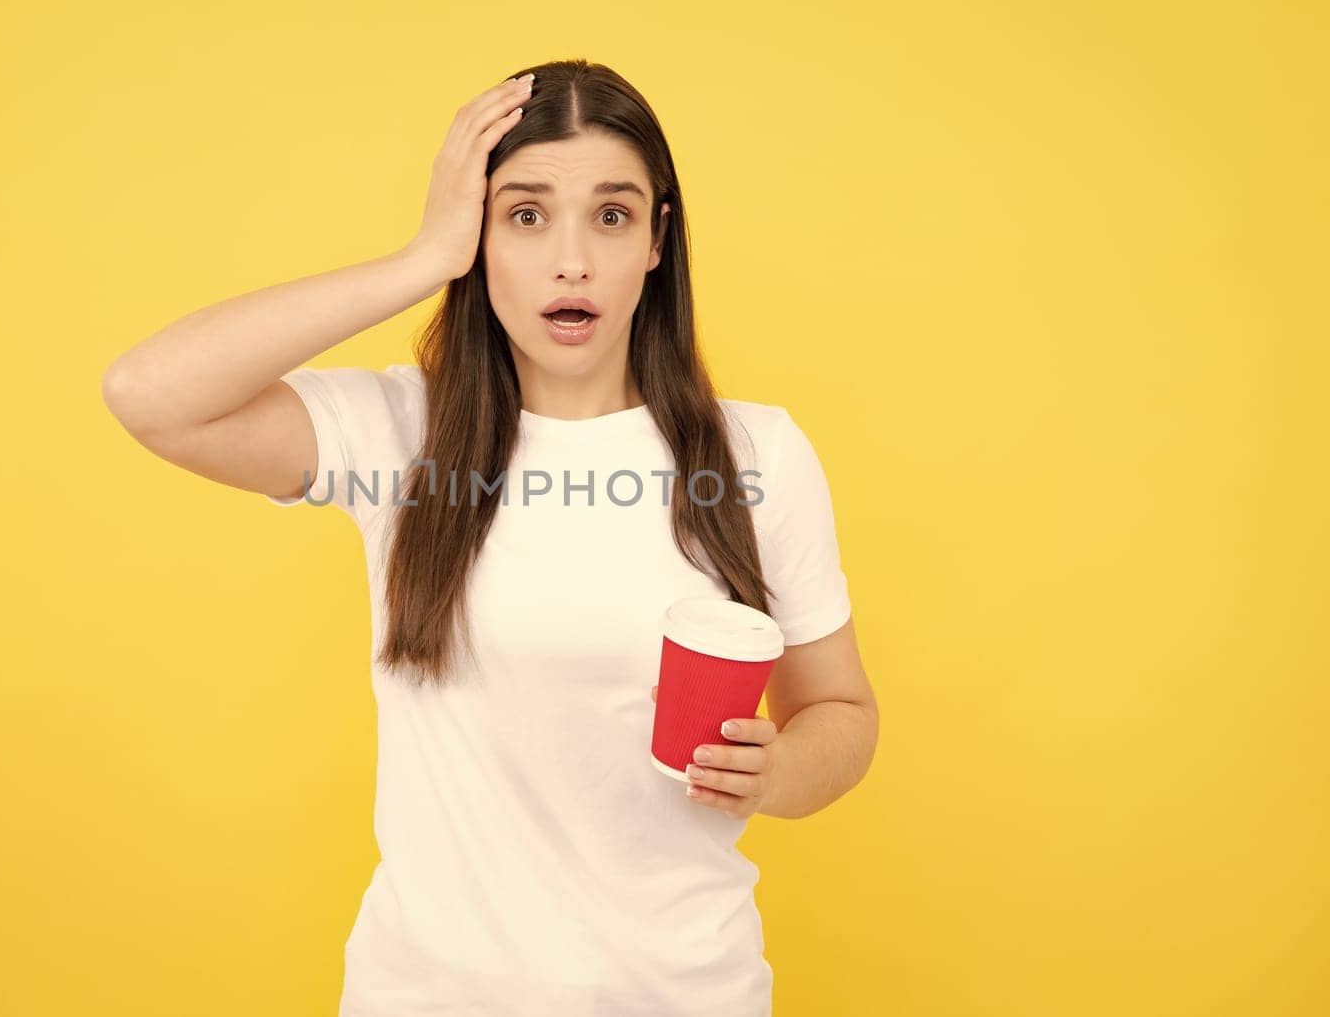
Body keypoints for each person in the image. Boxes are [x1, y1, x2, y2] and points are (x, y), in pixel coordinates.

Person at [101, 58, 879, 1017]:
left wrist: (780, 772)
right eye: (524, 214)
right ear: (478, 230)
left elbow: (841, 709)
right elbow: (149, 394)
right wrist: (420, 260)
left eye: (612, 214)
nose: (572, 261)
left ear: (656, 240)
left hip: (685, 994)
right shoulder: (400, 435)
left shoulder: (757, 453)